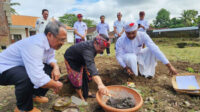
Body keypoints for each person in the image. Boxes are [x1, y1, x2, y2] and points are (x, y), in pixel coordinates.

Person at [0, 20, 67, 112]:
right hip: (4, 68)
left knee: (50, 68)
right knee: (25, 76)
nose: (63, 43)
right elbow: (38, 78)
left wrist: (55, 67)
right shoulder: (35, 45)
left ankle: (34, 95)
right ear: (50, 35)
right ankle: (23, 108)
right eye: (61, 39)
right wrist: (56, 85)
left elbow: (49, 59)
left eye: (64, 40)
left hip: (18, 66)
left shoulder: (50, 44)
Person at [64, 34, 110, 101]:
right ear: (95, 43)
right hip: (71, 59)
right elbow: (91, 66)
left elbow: (89, 62)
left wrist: (87, 68)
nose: (102, 50)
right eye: (101, 48)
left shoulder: (94, 46)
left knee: (85, 75)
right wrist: (100, 84)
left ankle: (86, 93)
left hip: (81, 58)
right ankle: (81, 98)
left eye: (104, 48)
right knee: (77, 79)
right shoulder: (88, 49)